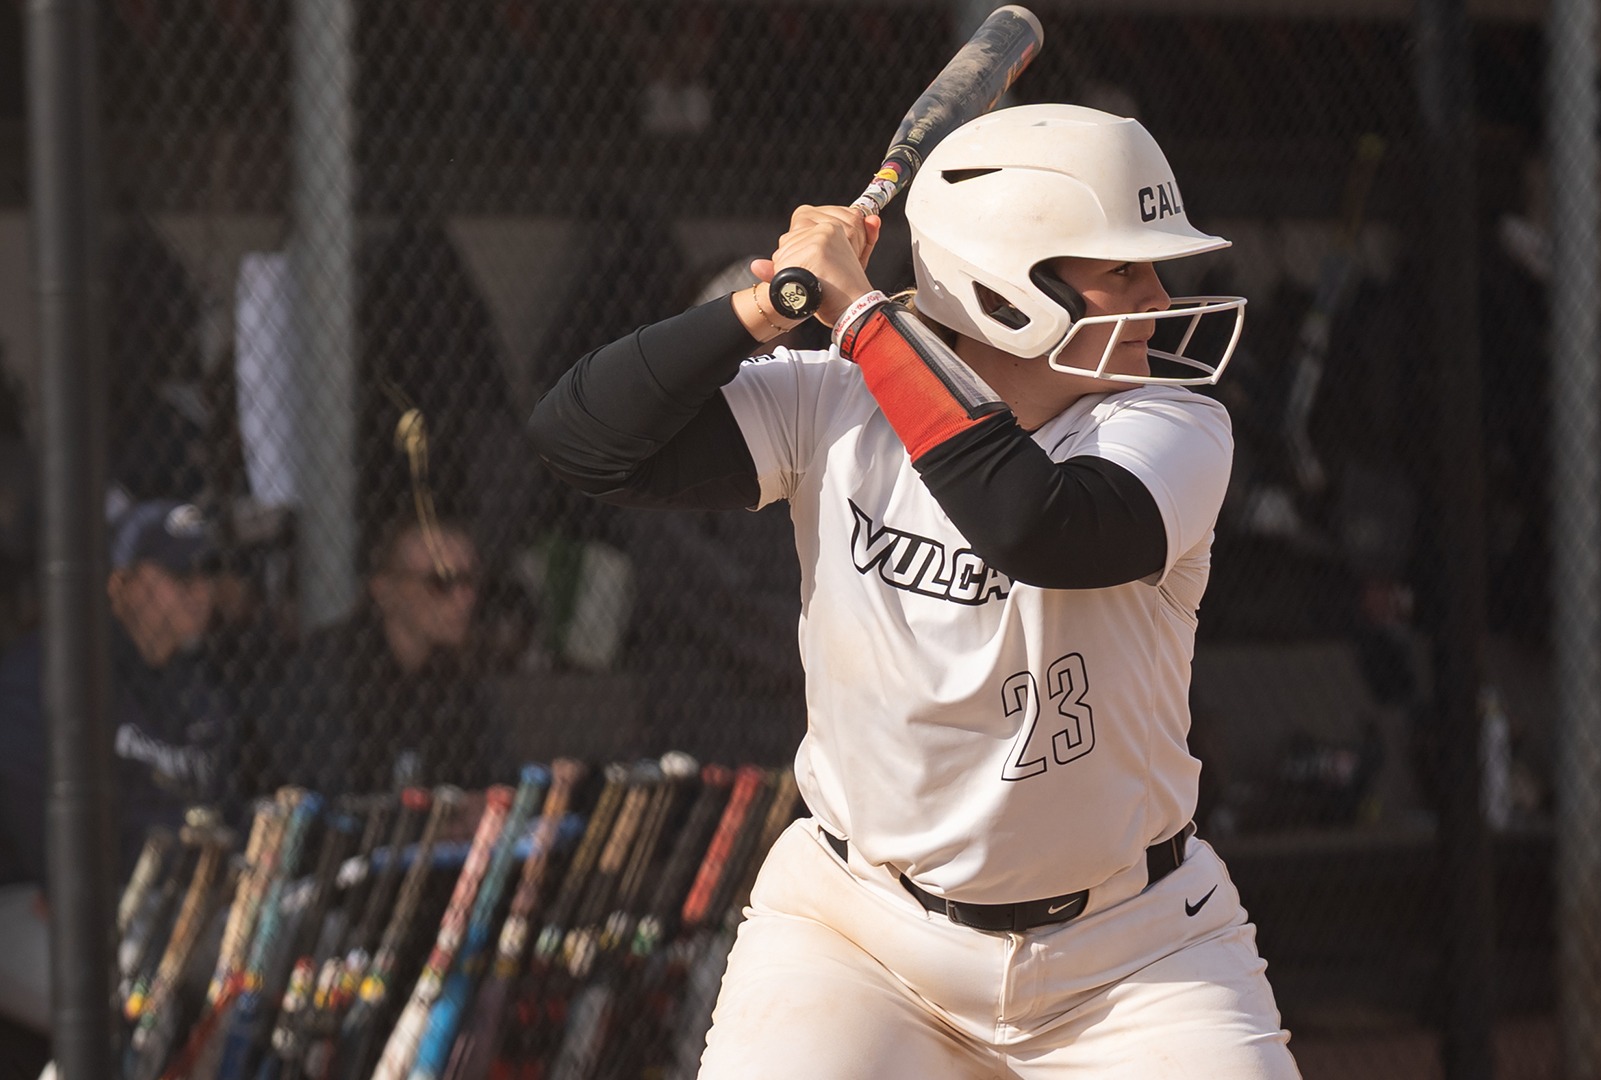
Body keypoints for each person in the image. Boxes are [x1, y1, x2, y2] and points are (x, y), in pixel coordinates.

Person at [530, 103, 1300, 1079]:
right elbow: (580, 441)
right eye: (1122, 270)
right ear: (1007, 290)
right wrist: (765, 311)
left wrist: (862, 315)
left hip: (1134, 955)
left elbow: (1041, 526)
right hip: (863, 935)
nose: (1158, 293)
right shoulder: (830, 404)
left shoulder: (1171, 427)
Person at [0, 499, 232, 1034]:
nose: (201, 590)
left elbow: (224, 814)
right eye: (181, 574)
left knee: (263, 980)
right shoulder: (50, 669)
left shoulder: (200, 696)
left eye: (208, 574)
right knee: (131, 1005)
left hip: (159, 904)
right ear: (120, 583)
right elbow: (23, 796)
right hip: (35, 897)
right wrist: (71, 886)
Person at [261, 516, 497, 796]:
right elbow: (328, 794)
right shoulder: (330, 669)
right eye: (441, 582)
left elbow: (492, 776)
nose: (464, 598)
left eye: (469, 580)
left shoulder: (457, 673)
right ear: (385, 589)